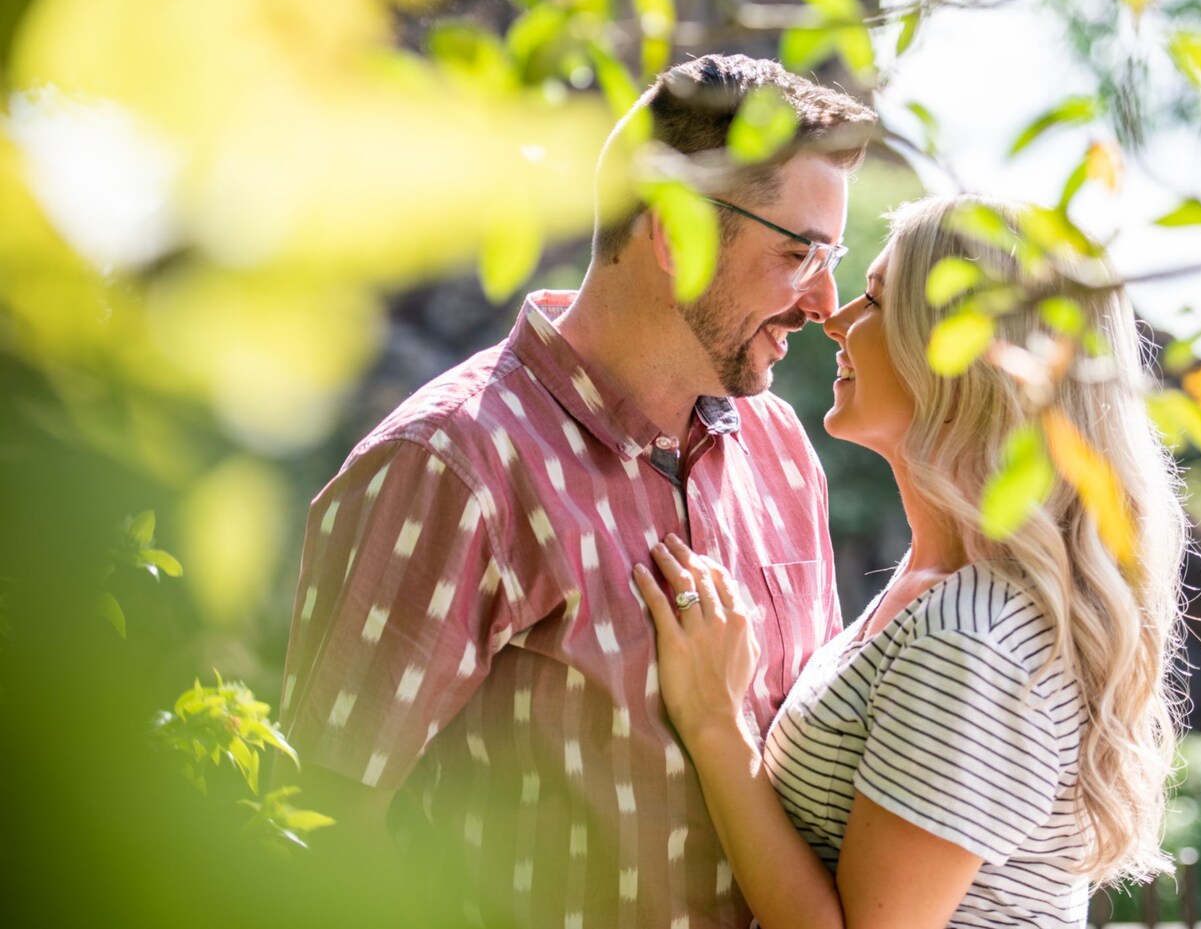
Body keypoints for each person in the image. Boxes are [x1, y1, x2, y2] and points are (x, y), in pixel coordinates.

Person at [277, 55, 876, 928]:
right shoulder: (451, 464)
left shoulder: (785, 454)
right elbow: (318, 832)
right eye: (798, 253)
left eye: (834, 257)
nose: (826, 300)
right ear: (676, 231)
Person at [634, 195, 1190, 928]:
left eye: (874, 299)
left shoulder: (974, 637)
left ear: (964, 352)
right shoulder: (937, 592)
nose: (832, 319)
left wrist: (715, 726)